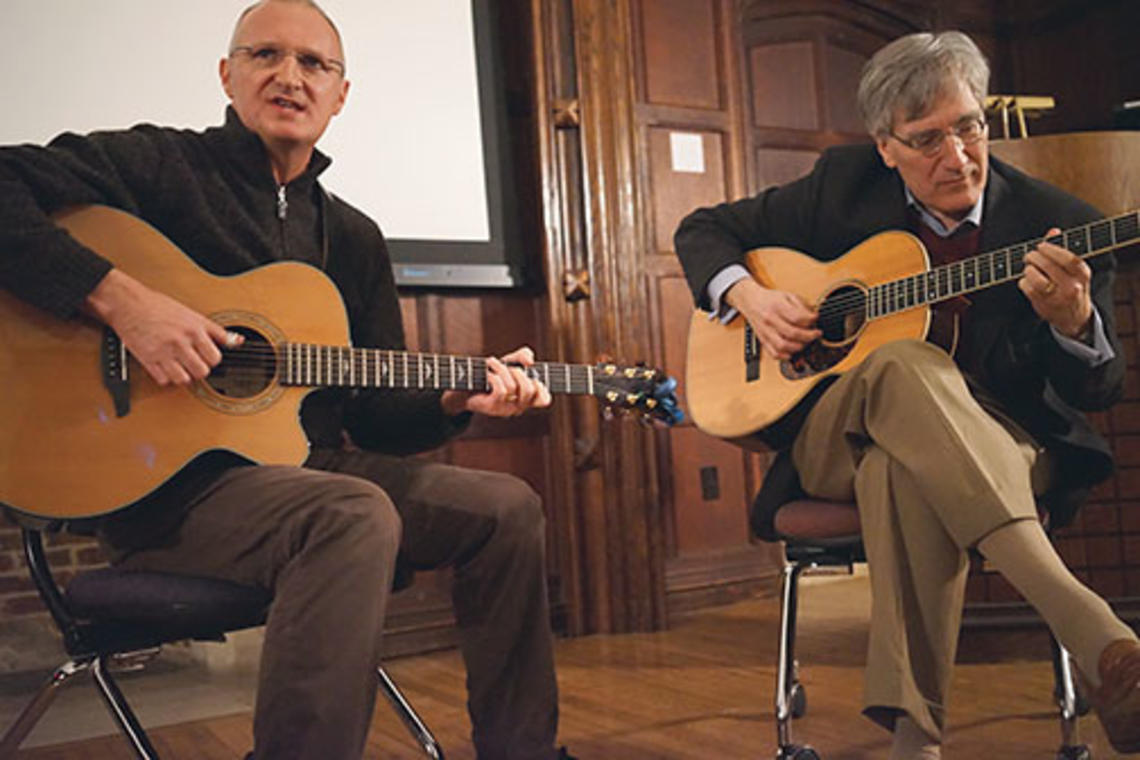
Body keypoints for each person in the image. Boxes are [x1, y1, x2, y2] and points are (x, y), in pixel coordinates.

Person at [0, 1, 574, 758]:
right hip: (167, 496)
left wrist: (452, 399)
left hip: (305, 474)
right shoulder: (159, 167)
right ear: (227, 75)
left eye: (314, 64)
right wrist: (122, 300)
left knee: (505, 506)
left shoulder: (353, 236)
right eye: (265, 55)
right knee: (351, 513)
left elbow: (372, 420)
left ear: (341, 94)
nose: (289, 77)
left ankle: (522, 751)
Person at [674, 30, 1140, 758]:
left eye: (968, 128)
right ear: (884, 146)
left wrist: (1076, 323)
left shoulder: (1062, 223)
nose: (956, 156)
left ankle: (915, 744)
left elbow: (1100, 388)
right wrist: (750, 300)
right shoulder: (842, 183)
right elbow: (703, 228)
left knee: (901, 467)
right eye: (926, 139)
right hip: (833, 432)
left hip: (1009, 445)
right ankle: (1100, 638)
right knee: (901, 366)